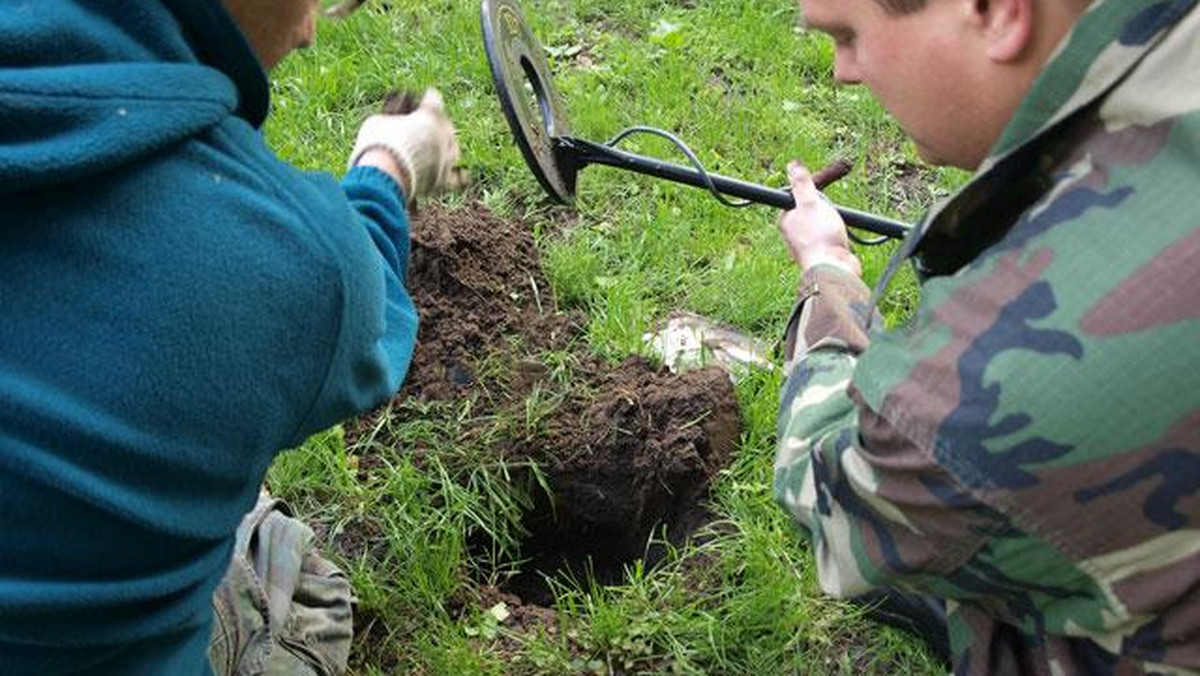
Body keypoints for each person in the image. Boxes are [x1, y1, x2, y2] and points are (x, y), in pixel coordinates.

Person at [0, 0, 462, 674]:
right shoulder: (290, 262)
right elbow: (368, 308)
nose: (309, 31)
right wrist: (389, 164)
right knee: (295, 575)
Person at [773, 0, 1199, 672]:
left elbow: (832, 489)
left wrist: (827, 273)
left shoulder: (978, 403)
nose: (842, 72)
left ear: (997, 11)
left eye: (850, 35)